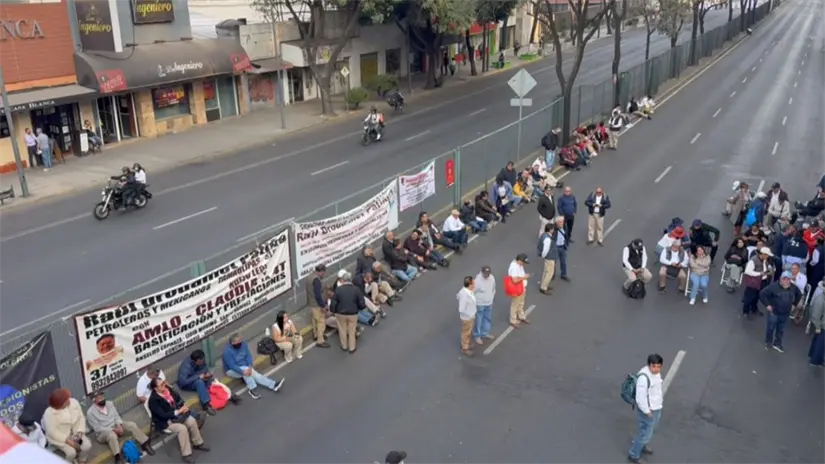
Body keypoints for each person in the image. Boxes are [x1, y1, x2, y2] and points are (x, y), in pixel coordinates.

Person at [147, 378, 208, 464]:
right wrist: (178, 412)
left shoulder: (168, 390)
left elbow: (178, 399)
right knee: (182, 429)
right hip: (166, 422)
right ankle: (186, 454)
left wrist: (184, 406)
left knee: (191, 421)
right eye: (161, 385)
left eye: (164, 382)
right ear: (155, 388)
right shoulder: (153, 401)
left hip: (178, 416)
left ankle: (198, 443)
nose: (164, 385)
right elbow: (162, 415)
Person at [87, 390, 153, 463]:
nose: (102, 399)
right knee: (111, 435)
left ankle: (144, 444)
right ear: (94, 400)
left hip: (115, 425)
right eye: (99, 398)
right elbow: (98, 428)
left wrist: (119, 426)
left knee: (131, 425)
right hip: (103, 432)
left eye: (102, 397)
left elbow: (116, 416)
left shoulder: (109, 404)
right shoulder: (90, 413)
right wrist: (114, 430)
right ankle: (117, 457)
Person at [222, 333, 285, 399]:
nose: (240, 343)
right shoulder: (227, 352)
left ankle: (265, 387)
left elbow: (248, 356)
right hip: (231, 371)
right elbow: (232, 366)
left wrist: (250, 366)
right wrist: (242, 372)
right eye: (238, 342)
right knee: (247, 372)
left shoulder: (243, 344)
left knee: (253, 374)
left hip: (245, 366)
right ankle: (269, 385)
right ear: (232, 343)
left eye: (240, 341)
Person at [628, 354, 665, 463]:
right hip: (648, 411)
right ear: (649, 365)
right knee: (644, 433)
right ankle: (634, 454)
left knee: (648, 430)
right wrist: (647, 411)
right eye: (654, 366)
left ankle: (642, 446)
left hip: (656, 407)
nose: (656, 369)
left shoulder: (655, 374)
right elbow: (640, 398)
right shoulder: (644, 379)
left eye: (659, 366)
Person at [42, 389, 92, 463]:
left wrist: (80, 432)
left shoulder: (74, 403)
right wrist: (69, 442)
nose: (68, 401)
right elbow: (52, 432)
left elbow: (81, 418)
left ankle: (82, 459)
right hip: (61, 438)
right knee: (71, 453)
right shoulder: (49, 413)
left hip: (76, 434)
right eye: (65, 401)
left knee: (87, 446)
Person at [759, 271, 802, 352]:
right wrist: (767, 305)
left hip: (785, 313)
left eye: (787, 279)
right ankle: (768, 342)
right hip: (774, 312)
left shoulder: (794, 288)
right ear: (780, 279)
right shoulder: (773, 286)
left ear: (790, 280)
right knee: (771, 328)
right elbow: (762, 294)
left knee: (781, 330)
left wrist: (794, 305)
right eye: (784, 279)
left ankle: (777, 344)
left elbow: (799, 295)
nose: (785, 281)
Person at [330, 271, 365, 353]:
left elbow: (333, 303)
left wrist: (333, 311)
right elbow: (362, 302)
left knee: (342, 330)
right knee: (352, 330)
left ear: (343, 280)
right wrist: (358, 309)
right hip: (353, 313)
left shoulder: (338, 290)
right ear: (350, 279)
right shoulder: (356, 289)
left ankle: (344, 346)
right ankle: (352, 347)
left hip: (340, 314)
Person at [178, 350, 220, 415]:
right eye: (200, 362)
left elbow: (204, 368)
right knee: (199, 383)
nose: (202, 362)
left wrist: (206, 374)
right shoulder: (186, 366)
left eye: (203, 360)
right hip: (187, 383)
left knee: (212, 380)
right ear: (194, 361)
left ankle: (226, 394)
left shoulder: (201, 360)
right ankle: (206, 405)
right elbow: (182, 382)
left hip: (198, 376)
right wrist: (198, 377)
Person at [742, 247, 775, 317]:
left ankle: (754, 308)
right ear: (763, 254)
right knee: (749, 297)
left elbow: (767, 266)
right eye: (767, 255)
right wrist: (760, 273)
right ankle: (745, 310)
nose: (768, 257)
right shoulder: (753, 260)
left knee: (757, 296)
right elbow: (747, 272)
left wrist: (770, 269)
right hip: (754, 282)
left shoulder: (765, 260)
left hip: (763, 281)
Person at [306, 264, 331, 349]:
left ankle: (316, 335)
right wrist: (323, 306)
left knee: (314, 320)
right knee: (321, 322)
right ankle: (320, 340)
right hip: (316, 304)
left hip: (311, 302)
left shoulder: (310, 276)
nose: (323, 275)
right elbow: (318, 295)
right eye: (323, 273)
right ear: (321, 272)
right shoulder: (316, 280)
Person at [473, 266, 496, 344]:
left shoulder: (492, 278)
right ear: (482, 272)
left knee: (487, 318)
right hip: (480, 304)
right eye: (485, 273)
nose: (486, 275)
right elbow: (472, 291)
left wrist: (491, 298)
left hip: (489, 303)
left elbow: (493, 289)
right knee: (479, 320)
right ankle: (477, 336)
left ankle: (485, 333)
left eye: (488, 273)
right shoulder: (477, 281)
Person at [508, 254, 531, 328]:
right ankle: (513, 320)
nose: (524, 264)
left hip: (522, 288)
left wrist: (524, 277)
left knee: (521, 303)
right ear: (519, 260)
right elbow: (514, 280)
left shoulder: (519, 264)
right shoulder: (514, 267)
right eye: (523, 262)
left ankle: (521, 316)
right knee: (515, 304)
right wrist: (524, 277)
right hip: (517, 288)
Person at [457, 275, 477, 356]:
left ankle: (466, 344)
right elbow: (461, 309)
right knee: (466, 333)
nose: (475, 284)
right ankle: (464, 348)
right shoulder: (465, 295)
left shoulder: (467, 291)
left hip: (470, 316)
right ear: (470, 285)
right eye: (473, 283)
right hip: (467, 318)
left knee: (468, 332)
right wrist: (470, 314)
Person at [538, 223, 560, 295]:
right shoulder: (547, 239)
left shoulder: (544, 235)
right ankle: (544, 287)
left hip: (548, 257)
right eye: (553, 229)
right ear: (550, 230)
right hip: (550, 257)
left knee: (545, 271)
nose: (553, 230)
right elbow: (545, 250)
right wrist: (544, 256)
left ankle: (543, 285)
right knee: (550, 273)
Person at [808, 280, 825, 366]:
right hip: (822, 326)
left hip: (822, 324)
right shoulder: (821, 300)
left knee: (817, 341)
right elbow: (815, 315)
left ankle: (813, 356)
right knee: (820, 344)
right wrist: (818, 327)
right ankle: (815, 360)